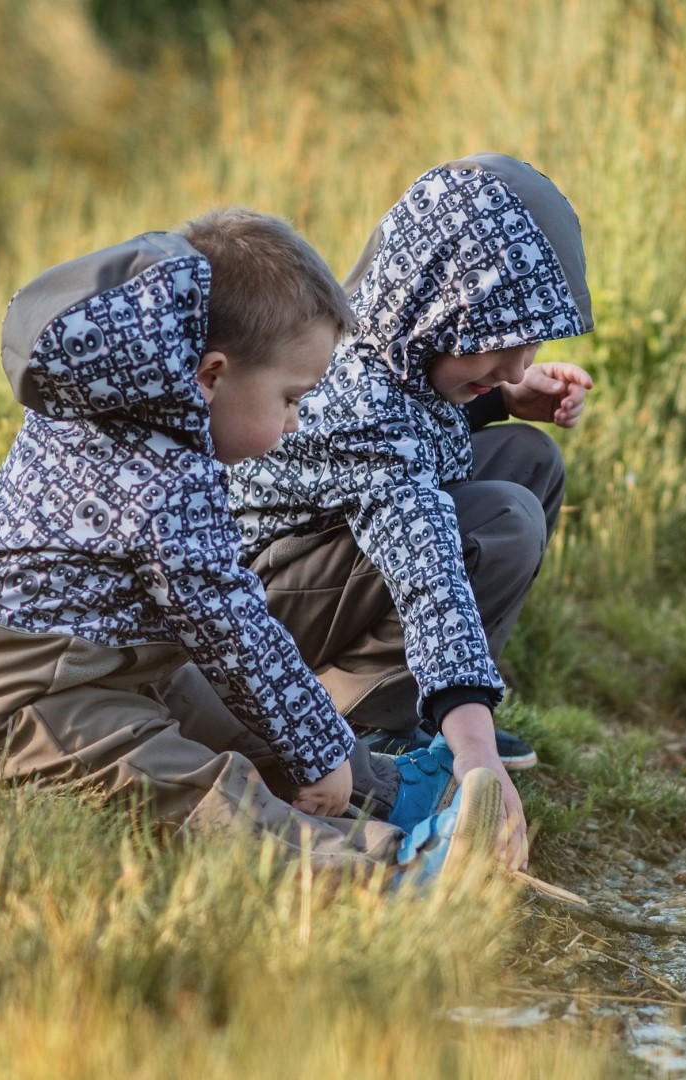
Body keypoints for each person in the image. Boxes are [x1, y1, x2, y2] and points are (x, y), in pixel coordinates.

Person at [0, 209, 502, 884]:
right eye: (289, 397)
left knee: (226, 708)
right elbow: (232, 629)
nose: (294, 419)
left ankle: (395, 795)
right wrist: (315, 753)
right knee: (203, 788)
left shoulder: (124, 404)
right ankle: (385, 870)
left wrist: (316, 749)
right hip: (17, 706)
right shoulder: (163, 476)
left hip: (104, 664)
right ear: (211, 375)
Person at [230, 154, 596, 871]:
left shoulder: (391, 337)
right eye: (503, 341)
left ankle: (434, 720)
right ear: (439, 305)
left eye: (532, 342)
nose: (521, 365)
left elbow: (417, 430)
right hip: (253, 603)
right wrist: (478, 754)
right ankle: (374, 724)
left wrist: (497, 398)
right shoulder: (361, 401)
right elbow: (427, 573)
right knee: (500, 519)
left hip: (316, 558)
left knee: (526, 459)